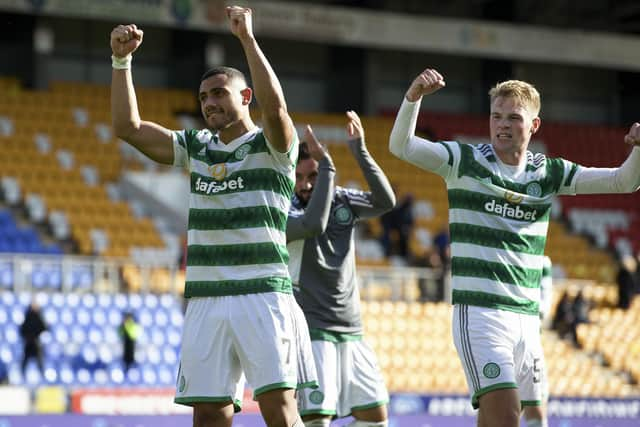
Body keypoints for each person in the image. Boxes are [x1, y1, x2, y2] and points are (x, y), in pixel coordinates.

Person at [389, 68, 640, 427]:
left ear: (534, 125)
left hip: (526, 320)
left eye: (513, 117)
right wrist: (413, 98)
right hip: (480, 314)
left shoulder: (548, 173)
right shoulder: (465, 162)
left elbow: (624, 181)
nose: (502, 125)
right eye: (496, 116)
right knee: (507, 415)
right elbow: (402, 146)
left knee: (505, 419)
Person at [110, 6, 316, 427]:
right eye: (204, 97)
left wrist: (247, 40)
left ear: (245, 97)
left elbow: (276, 110)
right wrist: (121, 61)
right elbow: (128, 128)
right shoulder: (196, 146)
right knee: (208, 414)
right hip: (205, 297)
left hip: (262, 293)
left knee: (279, 410)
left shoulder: (273, 147)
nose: (209, 103)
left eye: (219, 93)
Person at [287, 112, 395, 427]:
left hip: (352, 330)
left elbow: (386, 201)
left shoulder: (342, 200)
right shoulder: (285, 209)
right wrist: (328, 170)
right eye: (299, 177)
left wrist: (359, 149)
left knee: (375, 419)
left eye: (313, 176)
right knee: (317, 420)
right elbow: (314, 223)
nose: (305, 185)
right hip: (313, 329)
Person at [523, 256, 552, 427]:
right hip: (502, 339)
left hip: (531, 344)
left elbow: (544, 309)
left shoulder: (542, 262)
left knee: (537, 407)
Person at [379, 191, 414, 259]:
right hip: (390, 230)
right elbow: (387, 220)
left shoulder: (407, 211)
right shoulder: (397, 209)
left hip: (399, 233)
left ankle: (403, 255)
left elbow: (410, 223)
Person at [19, 301, 47, 375]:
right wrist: (27, 337)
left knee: (39, 360)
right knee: (25, 360)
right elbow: (22, 329)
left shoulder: (39, 316)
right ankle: (22, 375)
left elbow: (44, 328)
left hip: (36, 342)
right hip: (29, 342)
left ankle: (42, 375)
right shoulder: (28, 316)